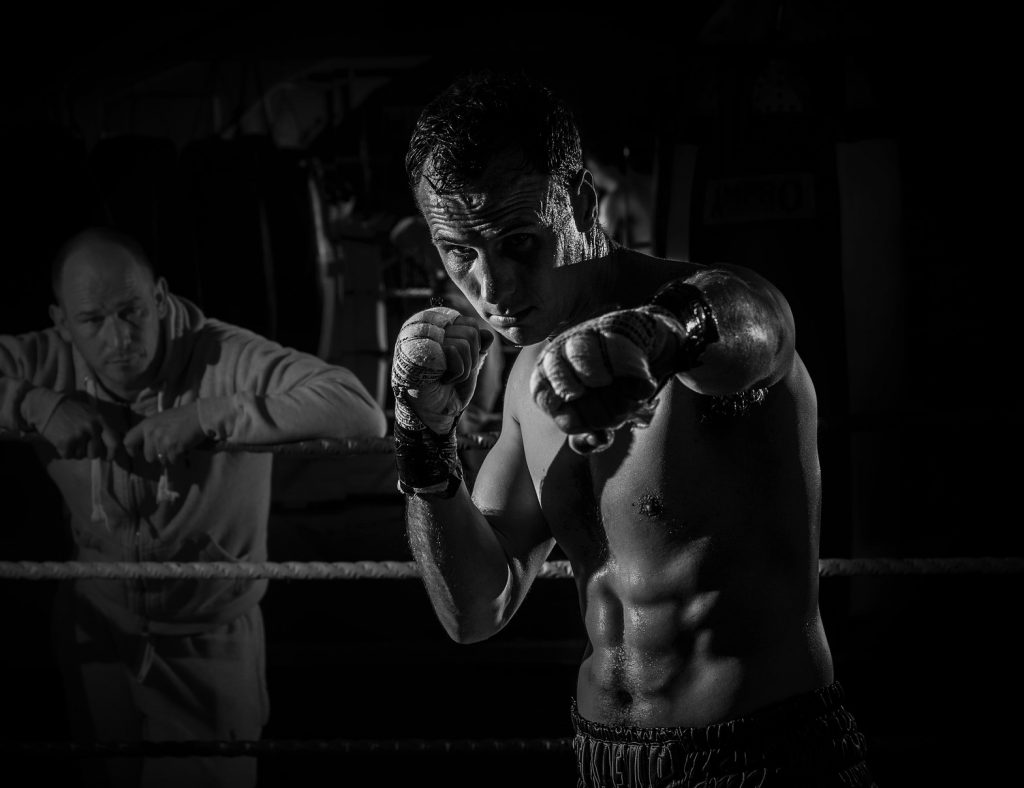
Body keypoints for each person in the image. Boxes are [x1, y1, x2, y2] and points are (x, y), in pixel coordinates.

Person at [391, 69, 875, 787]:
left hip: (759, 758)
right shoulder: (526, 379)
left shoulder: (703, 323)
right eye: (459, 252)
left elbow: (759, 318)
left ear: (580, 204)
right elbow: (473, 610)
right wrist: (423, 443)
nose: (491, 289)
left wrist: (661, 334)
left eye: (519, 242)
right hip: (606, 762)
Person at [0, 227, 387, 787]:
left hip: (207, 636)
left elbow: (360, 411)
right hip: (97, 626)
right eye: (93, 321)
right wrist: (33, 404)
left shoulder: (222, 354)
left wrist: (211, 417)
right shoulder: (44, 360)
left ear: (159, 298)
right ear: (62, 322)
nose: (119, 337)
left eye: (132, 311)